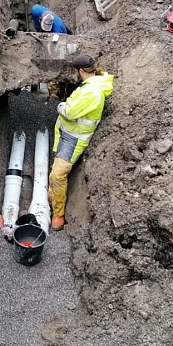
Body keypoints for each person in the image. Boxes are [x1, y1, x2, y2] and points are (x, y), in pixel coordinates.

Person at [48, 55, 114, 230]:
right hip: (66, 133)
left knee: (58, 175)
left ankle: (58, 214)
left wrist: (60, 106)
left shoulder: (92, 92)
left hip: (74, 138)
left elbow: (69, 112)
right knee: (54, 173)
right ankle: (50, 198)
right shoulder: (90, 84)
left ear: (81, 71)